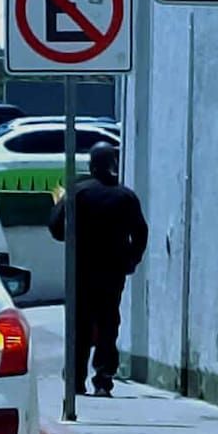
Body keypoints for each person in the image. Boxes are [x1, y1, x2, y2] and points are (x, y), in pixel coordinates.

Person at [48, 142, 148, 397]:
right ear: (113, 165)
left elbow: (56, 229)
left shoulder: (77, 193)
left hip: (81, 270)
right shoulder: (125, 196)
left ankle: (76, 378)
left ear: (92, 167)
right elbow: (140, 232)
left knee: (79, 324)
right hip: (112, 272)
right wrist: (131, 260)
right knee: (108, 323)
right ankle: (103, 378)